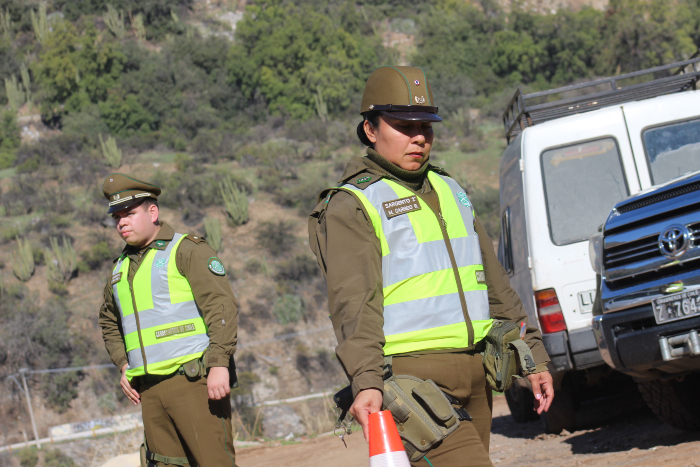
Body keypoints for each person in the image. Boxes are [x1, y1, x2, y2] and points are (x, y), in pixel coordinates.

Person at [308, 66, 554, 466]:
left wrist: (533, 355)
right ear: (370, 129)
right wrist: (367, 381)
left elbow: (495, 284)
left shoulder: (450, 188)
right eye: (404, 126)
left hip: (478, 373)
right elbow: (354, 306)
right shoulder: (352, 204)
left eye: (426, 126)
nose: (419, 137)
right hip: (412, 384)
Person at [98, 173, 238, 467]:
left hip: (194, 383)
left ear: (153, 212)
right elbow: (109, 322)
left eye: (129, 214)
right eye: (117, 217)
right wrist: (124, 364)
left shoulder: (185, 250)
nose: (121, 222)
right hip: (148, 392)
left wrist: (219, 364)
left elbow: (221, 307)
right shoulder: (119, 270)